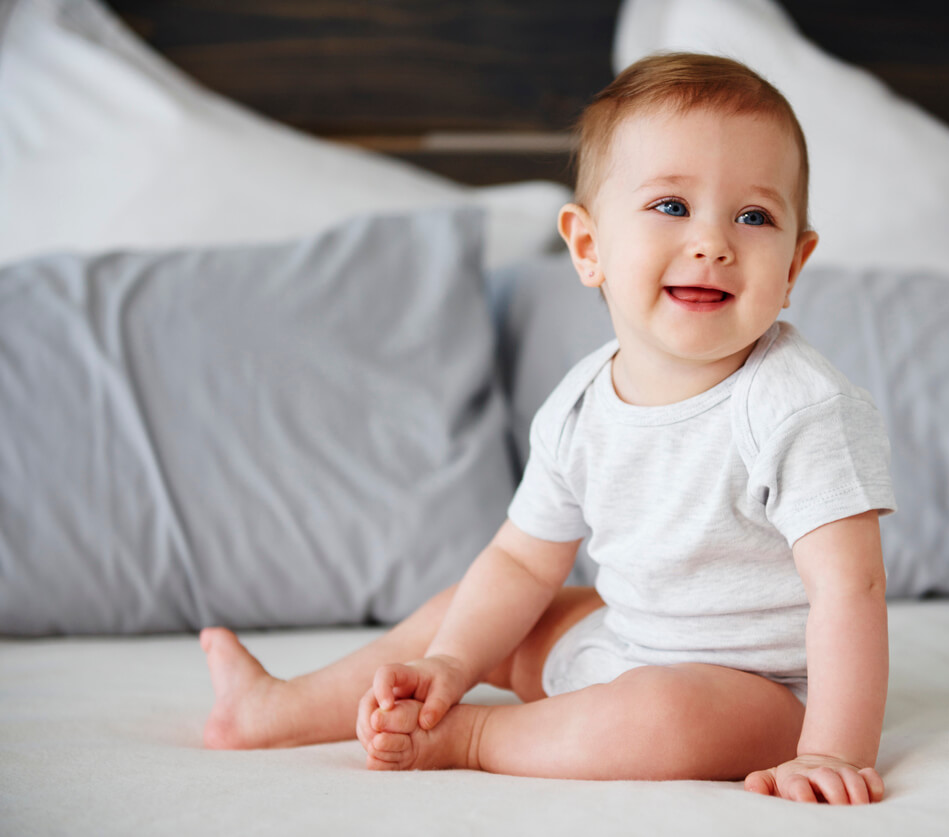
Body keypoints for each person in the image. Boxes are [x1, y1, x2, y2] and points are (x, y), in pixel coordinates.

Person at [200, 52, 896, 806]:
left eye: (753, 216)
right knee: (469, 607)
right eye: (671, 206)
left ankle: (467, 737)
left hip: (756, 692)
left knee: (664, 716)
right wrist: (453, 661)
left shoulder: (799, 405)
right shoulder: (579, 402)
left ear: (795, 264)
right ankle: (278, 709)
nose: (713, 242)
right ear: (589, 246)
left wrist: (832, 749)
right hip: (620, 638)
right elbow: (526, 564)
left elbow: (850, 590)